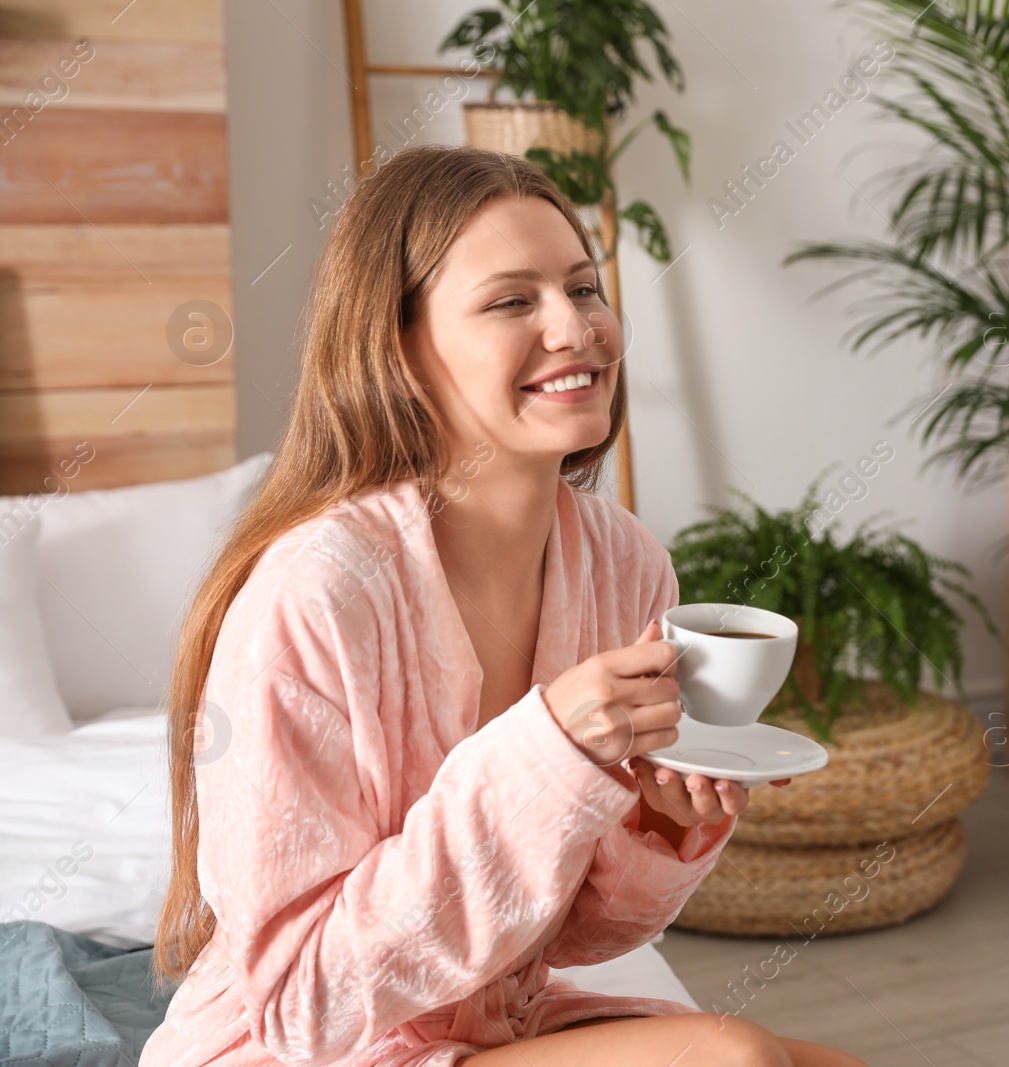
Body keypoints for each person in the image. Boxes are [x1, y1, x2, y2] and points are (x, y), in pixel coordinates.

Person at [143, 144, 868, 1067]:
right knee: (732, 1056)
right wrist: (548, 755)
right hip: (311, 1052)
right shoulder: (314, 596)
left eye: (584, 288)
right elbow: (301, 1004)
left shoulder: (625, 565)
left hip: (494, 1029)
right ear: (399, 347)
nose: (576, 328)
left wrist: (664, 821)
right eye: (512, 301)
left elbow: (569, 938)